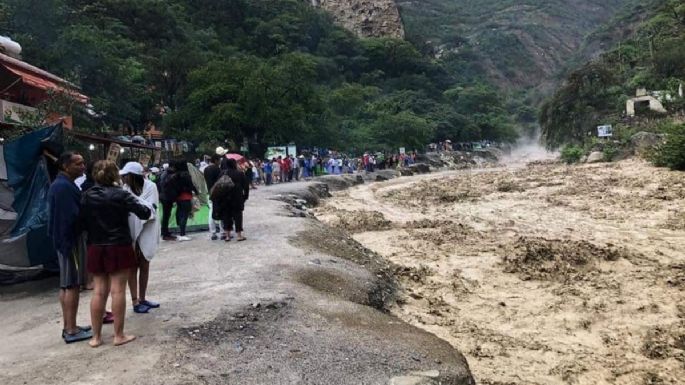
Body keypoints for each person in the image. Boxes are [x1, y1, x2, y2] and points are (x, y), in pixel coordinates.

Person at [80, 160, 152, 347]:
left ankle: (96, 337)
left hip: (96, 245)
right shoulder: (121, 195)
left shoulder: (86, 195)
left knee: (98, 291)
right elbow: (144, 212)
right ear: (115, 175)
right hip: (119, 245)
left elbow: (80, 221)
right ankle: (118, 335)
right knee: (118, 290)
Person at [47, 152, 93, 344]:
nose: (82, 167)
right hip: (70, 242)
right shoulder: (63, 187)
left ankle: (69, 325)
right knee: (72, 284)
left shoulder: (62, 185)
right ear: (66, 166)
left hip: (64, 240)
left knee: (66, 284)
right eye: (78, 164)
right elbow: (71, 217)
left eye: (83, 163)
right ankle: (71, 329)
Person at [120, 162, 161, 314]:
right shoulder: (124, 189)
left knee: (145, 264)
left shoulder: (151, 187)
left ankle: (143, 298)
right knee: (132, 266)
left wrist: (135, 203)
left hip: (147, 230)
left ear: (132, 176)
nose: (123, 178)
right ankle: (135, 300)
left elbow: (151, 209)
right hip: (131, 231)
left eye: (126, 175)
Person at [215, 158, 249, 242]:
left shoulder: (222, 173)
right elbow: (246, 186)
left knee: (226, 216)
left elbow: (218, 186)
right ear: (234, 164)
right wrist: (245, 196)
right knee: (238, 216)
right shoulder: (240, 173)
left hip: (225, 198)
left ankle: (227, 235)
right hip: (237, 198)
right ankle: (239, 235)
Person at [169, 160, 197, 241]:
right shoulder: (186, 175)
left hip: (178, 198)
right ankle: (182, 234)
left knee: (181, 215)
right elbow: (191, 185)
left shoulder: (175, 175)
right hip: (186, 197)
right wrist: (196, 191)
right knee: (184, 216)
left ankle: (181, 232)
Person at [203, 154, 223, 240]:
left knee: (211, 212)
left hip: (210, 193)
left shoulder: (206, 169)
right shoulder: (218, 169)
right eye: (219, 161)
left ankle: (213, 232)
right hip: (218, 193)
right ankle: (222, 232)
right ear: (215, 160)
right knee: (222, 211)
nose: (220, 162)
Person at [158, 163, 176, 241]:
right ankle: (165, 233)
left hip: (164, 197)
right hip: (166, 198)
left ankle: (165, 232)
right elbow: (168, 186)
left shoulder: (164, 174)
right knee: (166, 215)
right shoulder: (168, 175)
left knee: (166, 215)